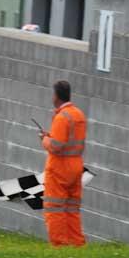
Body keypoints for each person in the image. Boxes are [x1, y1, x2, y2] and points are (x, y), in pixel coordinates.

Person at [38, 81, 87, 247]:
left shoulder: (61, 117)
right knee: (72, 207)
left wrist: (44, 139)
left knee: (54, 207)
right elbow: (69, 141)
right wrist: (51, 136)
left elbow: (56, 147)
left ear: (56, 96)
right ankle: (77, 243)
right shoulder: (78, 114)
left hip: (60, 168)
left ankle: (60, 245)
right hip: (76, 166)